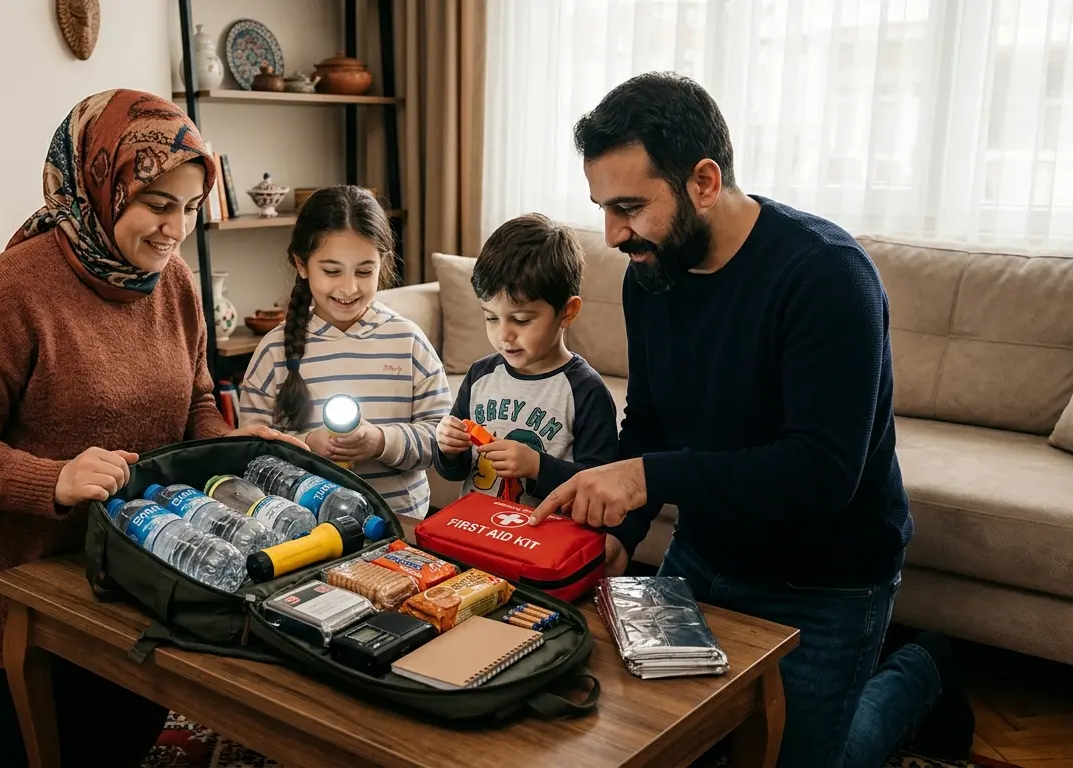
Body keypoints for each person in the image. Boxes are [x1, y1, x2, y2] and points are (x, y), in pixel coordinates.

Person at [0, 89, 298, 768]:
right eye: (157, 204)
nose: (175, 230)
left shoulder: (175, 288)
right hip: (11, 574)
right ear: (101, 186)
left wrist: (243, 448)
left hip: (127, 563)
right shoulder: (8, 293)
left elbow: (195, 401)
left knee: (110, 748)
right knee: (25, 757)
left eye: (191, 209)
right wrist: (56, 478)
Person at [529, 72, 974, 767]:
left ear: (704, 181)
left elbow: (822, 472)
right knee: (672, 743)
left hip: (827, 576)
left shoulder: (826, 276)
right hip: (705, 553)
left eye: (629, 207)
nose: (612, 234)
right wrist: (626, 533)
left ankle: (922, 672)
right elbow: (648, 422)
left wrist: (648, 479)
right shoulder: (650, 273)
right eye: (603, 208)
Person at [432, 213, 643, 576]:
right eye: (491, 318)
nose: (504, 336)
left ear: (567, 312)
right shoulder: (481, 376)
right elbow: (454, 471)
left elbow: (598, 485)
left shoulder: (585, 391)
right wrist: (448, 448)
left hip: (541, 550)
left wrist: (536, 466)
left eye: (522, 319)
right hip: (476, 537)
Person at [239, 185, 452, 518]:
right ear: (302, 264)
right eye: (332, 271)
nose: (349, 288)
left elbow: (442, 440)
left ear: (383, 262)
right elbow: (250, 455)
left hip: (399, 525)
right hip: (304, 530)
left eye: (365, 271)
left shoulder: (407, 341)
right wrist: (310, 446)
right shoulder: (274, 351)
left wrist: (380, 441)